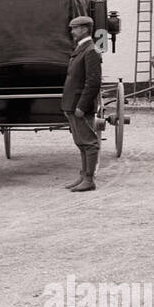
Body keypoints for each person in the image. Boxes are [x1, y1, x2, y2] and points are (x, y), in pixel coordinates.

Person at [62, 15, 103, 192]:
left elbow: (93, 83)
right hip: (73, 103)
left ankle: (89, 179)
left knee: (89, 142)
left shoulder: (91, 50)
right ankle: (83, 175)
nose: (72, 31)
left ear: (85, 29)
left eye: (75, 28)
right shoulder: (82, 48)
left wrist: (81, 106)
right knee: (80, 142)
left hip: (80, 105)